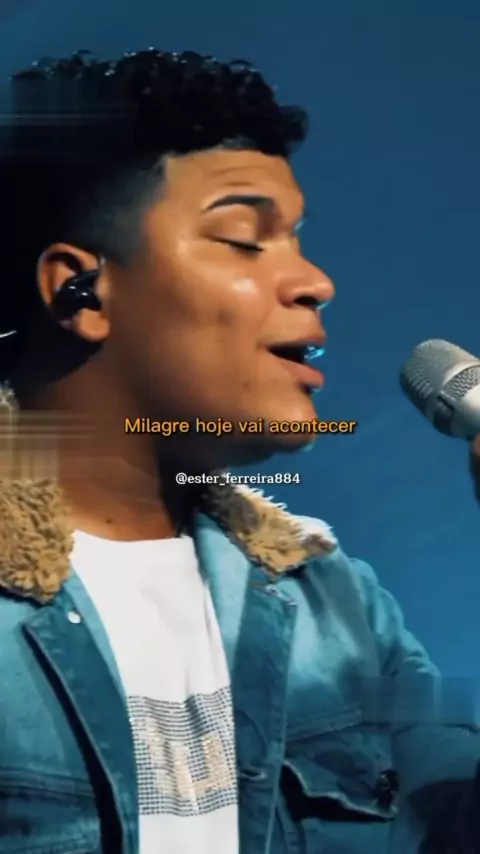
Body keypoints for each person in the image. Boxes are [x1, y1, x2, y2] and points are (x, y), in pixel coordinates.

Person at [0, 49, 478, 854]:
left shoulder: (342, 608)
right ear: (79, 291)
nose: (317, 281)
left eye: (298, 240)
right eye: (244, 239)